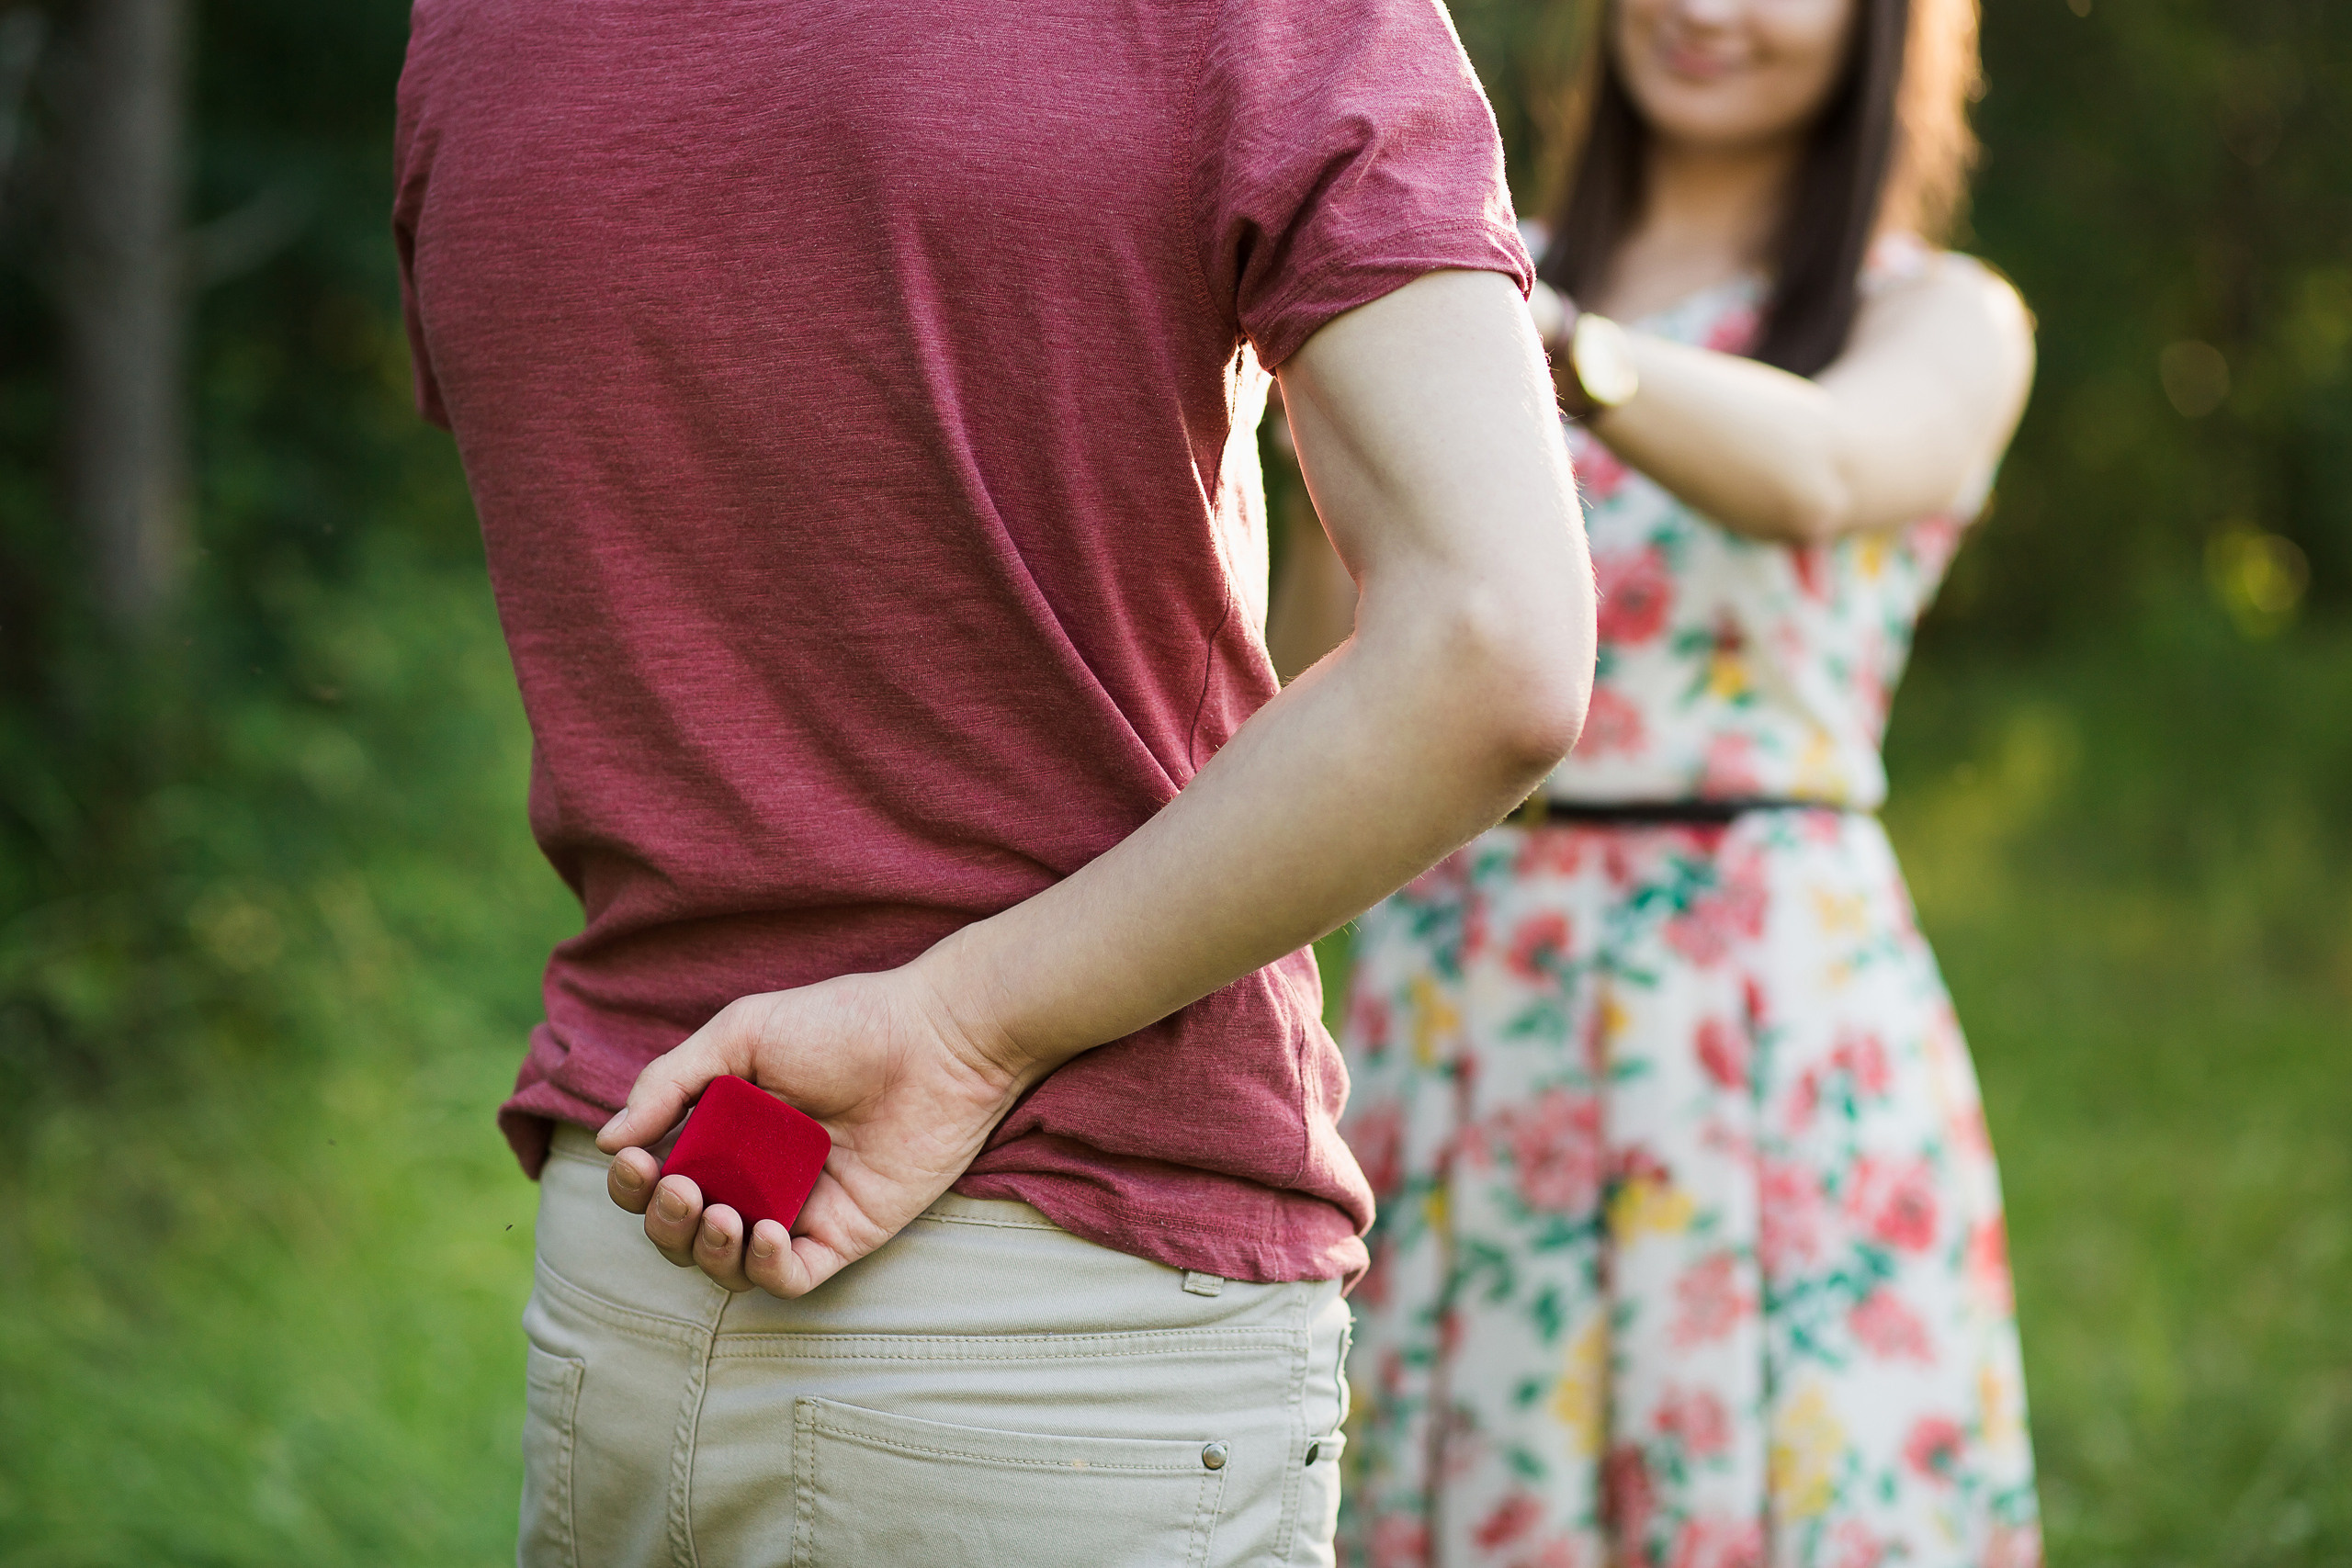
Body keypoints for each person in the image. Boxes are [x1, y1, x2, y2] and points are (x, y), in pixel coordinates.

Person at [392, 1, 1595, 1563]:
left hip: (625, 1251)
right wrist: (965, 1024)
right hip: (1071, 1317)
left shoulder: (474, 29)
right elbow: (1491, 650)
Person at [1265, 0, 2041, 1563]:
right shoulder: (1456, 257)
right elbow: (1299, 669)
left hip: (1759, 1017)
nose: (1706, 10)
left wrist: (1530, 331)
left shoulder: (1941, 313)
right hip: (1460, 985)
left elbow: (1821, 467)